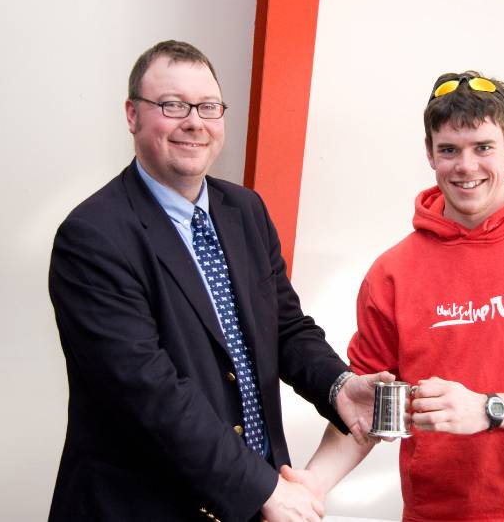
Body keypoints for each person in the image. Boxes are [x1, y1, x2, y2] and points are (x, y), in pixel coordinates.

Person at [47, 40, 390, 522]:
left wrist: (337, 386)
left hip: (253, 501)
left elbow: (285, 328)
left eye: (208, 107)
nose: (194, 122)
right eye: (172, 105)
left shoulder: (244, 211)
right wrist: (263, 488)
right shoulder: (93, 237)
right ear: (132, 114)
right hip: (145, 507)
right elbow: (148, 392)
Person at [282, 71, 504, 522]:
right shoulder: (392, 273)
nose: (465, 166)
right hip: (438, 513)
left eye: (482, 147)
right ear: (430, 155)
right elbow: (368, 406)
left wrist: (488, 408)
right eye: (449, 150)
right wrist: (311, 484)